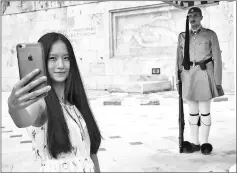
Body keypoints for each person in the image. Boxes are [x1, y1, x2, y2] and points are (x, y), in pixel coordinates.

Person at [8, 32, 102, 172]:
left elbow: (91, 153)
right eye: (52, 58)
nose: (61, 65)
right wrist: (13, 107)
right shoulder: (40, 102)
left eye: (66, 58)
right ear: (41, 60)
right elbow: (23, 120)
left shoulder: (76, 102)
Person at [175, 7, 224, 155]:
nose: (193, 18)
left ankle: (204, 142)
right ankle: (194, 142)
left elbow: (217, 58)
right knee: (192, 112)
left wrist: (217, 81)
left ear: (201, 17)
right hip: (188, 75)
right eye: (190, 16)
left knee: (204, 111)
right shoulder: (183, 36)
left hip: (204, 74)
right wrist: (178, 79)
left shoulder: (210, 35)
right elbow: (178, 59)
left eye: (196, 16)